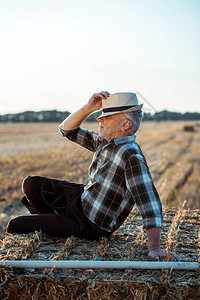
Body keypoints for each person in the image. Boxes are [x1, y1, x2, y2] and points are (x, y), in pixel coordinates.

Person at [7, 91, 181, 261]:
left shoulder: (131, 157)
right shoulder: (105, 142)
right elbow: (67, 130)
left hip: (89, 223)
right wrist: (88, 108)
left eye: (106, 118)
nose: (99, 121)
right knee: (30, 184)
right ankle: (48, 226)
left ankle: (50, 226)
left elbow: (150, 205)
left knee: (16, 225)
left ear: (125, 125)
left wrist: (155, 248)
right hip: (83, 198)